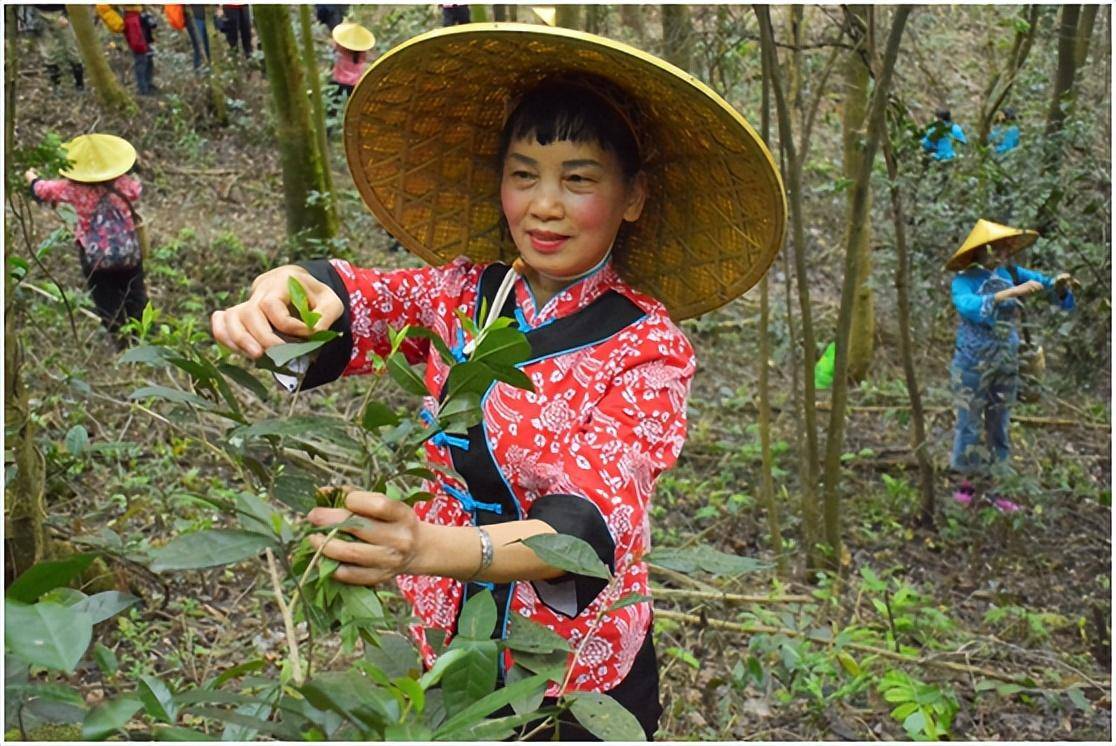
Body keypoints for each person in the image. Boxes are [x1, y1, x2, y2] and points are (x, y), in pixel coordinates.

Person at [210, 23, 784, 740]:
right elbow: (359, 300)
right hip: (450, 636)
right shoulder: (462, 294)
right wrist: (290, 292)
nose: (544, 205)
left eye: (578, 179)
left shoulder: (648, 349)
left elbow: (589, 528)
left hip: (572, 671)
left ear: (633, 197)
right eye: (523, 174)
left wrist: (424, 548)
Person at [946, 219, 1075, 510]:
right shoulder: (964, 280)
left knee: (999, 425)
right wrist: (1011, 293)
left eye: (1006, 246)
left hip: (1006, 360)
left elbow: (1048, 287)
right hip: (971, 361)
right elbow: (968, 306)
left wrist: (1061, 287)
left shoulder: (1013, 273)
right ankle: (966, 484)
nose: (1004, 251)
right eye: (998, 246)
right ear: (983, 250)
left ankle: (998, 488)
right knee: (969, 421)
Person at [26, 134, 149, 346]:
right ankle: (141, 337)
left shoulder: (72, 188)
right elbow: (137, 190)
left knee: (106, 299)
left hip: (95, 257)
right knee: (135, 292)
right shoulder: (124, 184)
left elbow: (42, 191)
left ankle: (120, 341)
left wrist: (31, 177)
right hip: (128, 251)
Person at [327, 21, 374, 126]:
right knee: (352, 110)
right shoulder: (362, 53)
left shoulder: (340, 48)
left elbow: (333, 47)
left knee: (332, 109)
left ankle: (328, 133)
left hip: (337, 82)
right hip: (354, 84)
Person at [34, 6, 84, 93]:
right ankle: (56, 86)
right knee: (49, 53)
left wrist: (65, 13)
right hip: (38, 13)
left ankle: (80, 84)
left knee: (71, 49)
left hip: (59, 13)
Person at [122, 5, 155, 95]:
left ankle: (148, 85)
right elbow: (135, 38)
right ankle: (143, 90)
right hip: (140, 47)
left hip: (143, 45)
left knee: (147, 64)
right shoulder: (132, 19)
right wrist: (143, 48)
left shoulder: (136, 16)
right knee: (141, 66)